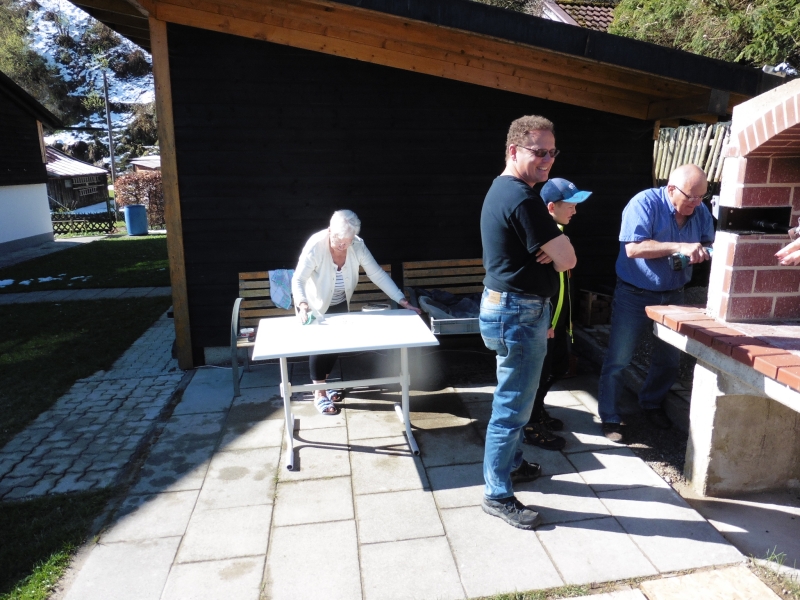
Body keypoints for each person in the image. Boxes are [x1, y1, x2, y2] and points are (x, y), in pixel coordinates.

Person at [479, 115, 577, 529]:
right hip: (518, 312)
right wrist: (558, 246)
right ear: (513, 150)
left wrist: (551, 247)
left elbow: (555, 255)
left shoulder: (504, 190)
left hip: (508, 307)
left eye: (552, 152)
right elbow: (568, 260)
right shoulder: (522, 198)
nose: (548, 159)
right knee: (512, 407)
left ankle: (512, 464)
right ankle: (496, 494)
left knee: (515, 398)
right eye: (539, 152)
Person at [597, 164, 715, 443]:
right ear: (671, 189)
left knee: (669, 358)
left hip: (675, 295)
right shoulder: (644, 203)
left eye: (702, 197)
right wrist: (679, 246)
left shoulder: (700, 211)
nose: (696, 203)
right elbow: (633, 248)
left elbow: (711, 243)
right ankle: (610, 415)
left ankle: (651, 403)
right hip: (634, 293)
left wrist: (704, 252)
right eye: (691, 197)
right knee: (619, 358)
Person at [292, 210, 421, 416]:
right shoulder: (315, 246)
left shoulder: (357, 245)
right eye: (339, 240)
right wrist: (302, 304)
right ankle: (319, 394)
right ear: (330, 230)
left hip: (341, 301)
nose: (343, 246)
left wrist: (401, 300)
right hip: (314, 304)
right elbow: (298, 279)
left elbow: (377, 274)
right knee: (319, 347)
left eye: (347, 241)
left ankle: (323, 386)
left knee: (335, 346)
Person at [523, 178, 592, 451]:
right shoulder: (542, 236)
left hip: (561, 320)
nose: (575, 210)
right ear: (551, 207)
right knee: (538, 375)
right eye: (570, 205)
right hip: (545, 322)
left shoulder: (560, 233)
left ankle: (537, 410)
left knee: (559, 367)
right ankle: (530, 425)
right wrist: (545, 322)